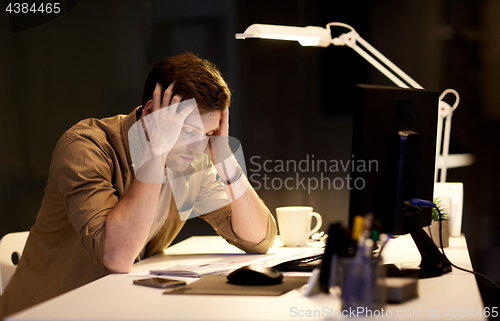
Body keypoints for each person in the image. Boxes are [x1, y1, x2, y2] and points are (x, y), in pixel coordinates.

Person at [0, 52, 277, 318]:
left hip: (114, 307)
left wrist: (225, 158)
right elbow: (117, 256)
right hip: (44, 313)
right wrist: (155, 154)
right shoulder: (86, 148)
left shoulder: (192, 159)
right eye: (188, 131)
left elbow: (257, 238)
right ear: (150, 114)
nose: (198, 147)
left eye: (207, 134)